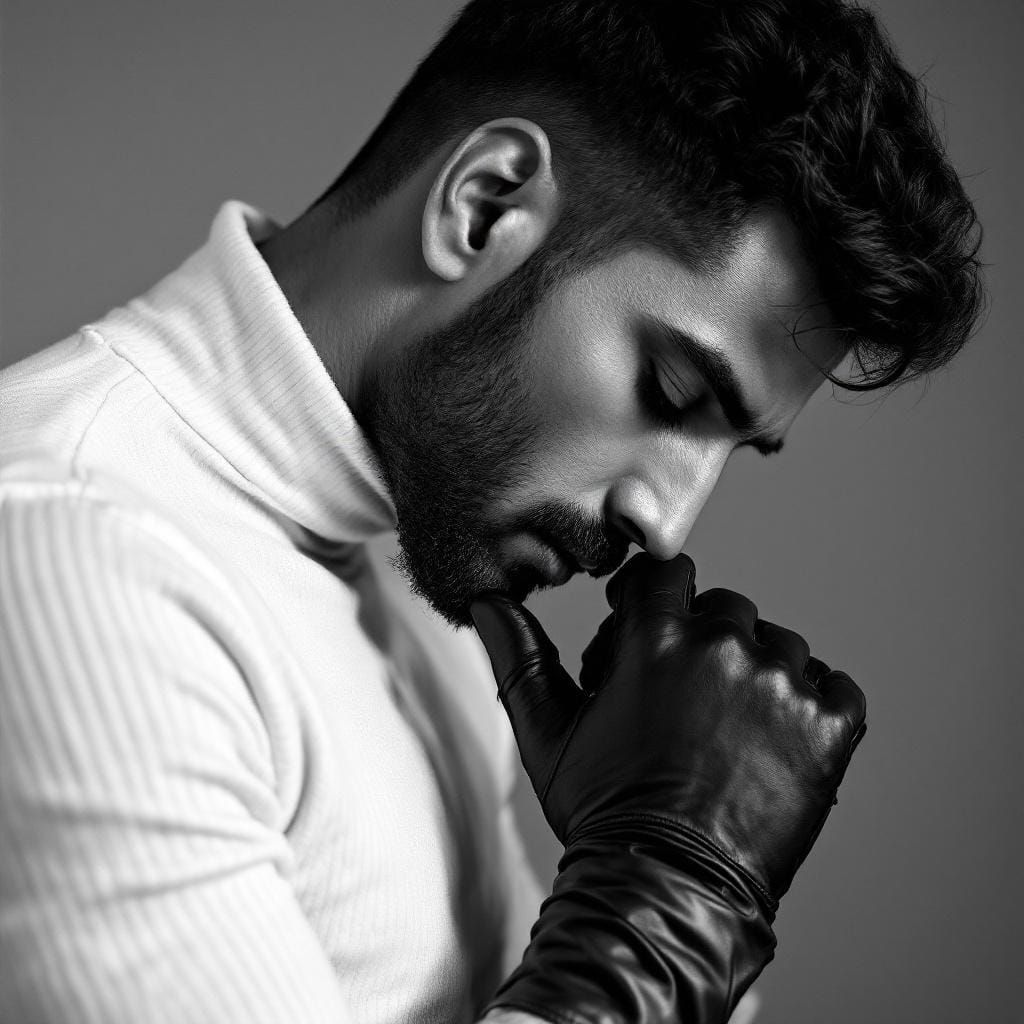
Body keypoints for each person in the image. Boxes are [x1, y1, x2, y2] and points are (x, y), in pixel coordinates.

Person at [0, 0, 982, 1022]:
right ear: (482, 205)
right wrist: (671, 909)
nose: (668, 523)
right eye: (675, 393)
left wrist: (652, 856)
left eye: (734, 448)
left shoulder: (413, 570)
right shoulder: (67, 561)